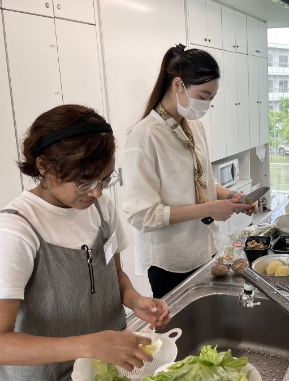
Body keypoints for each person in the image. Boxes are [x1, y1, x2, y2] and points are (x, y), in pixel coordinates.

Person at [0, 105, 170, 380]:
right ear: (44, 166)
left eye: (104, 179)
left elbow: (113, 275)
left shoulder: (101, 208)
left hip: (105, 371)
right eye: (84, 181)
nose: (97, 191)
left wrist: (136, 300)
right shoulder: (16, 230)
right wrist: (89, 345)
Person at [123, 44, 255, 299]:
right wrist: (208, 209)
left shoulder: (193, 126)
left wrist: (230, 197)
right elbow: (142, 215)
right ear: (177, 85)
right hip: (170, 260)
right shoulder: (145, 136)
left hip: (204, 249)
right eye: (202, 96)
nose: (205, 105)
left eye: (211, 99)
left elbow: (204, 181)